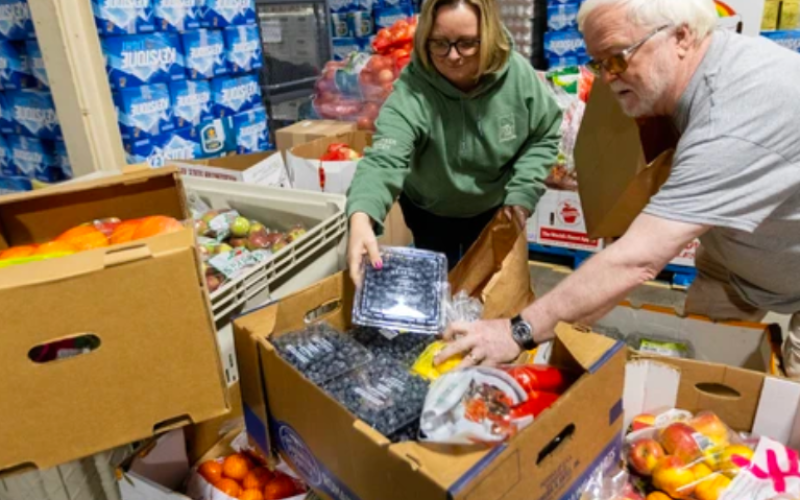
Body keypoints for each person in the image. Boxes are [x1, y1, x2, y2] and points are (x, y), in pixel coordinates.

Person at [434, 0, 800, 375]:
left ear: (681, 37)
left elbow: (638, 259)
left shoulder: (733, 119)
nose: (608, 76)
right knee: (697, 368)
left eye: (617, 58)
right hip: (734, 265)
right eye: (598, 62)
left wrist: (517, 331)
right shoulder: (687, 72)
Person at [345, 0, 562, 279]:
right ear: (425, 40)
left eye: (468, 43)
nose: (453, 56)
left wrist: (522, 193)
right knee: (438, 288)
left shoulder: (518, 77)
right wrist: (362, 216)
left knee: (486, 291)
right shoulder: (413, 90)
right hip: (430, 212)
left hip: (495, 210)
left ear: (489, 35)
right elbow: (384, 158)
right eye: (440, 44)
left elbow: (543, 135)